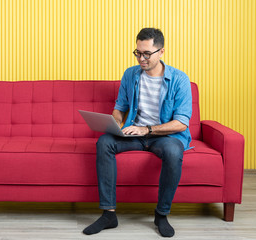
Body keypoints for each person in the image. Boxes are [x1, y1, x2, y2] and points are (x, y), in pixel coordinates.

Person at [82, 28, 192, 238]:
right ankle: (109, 214)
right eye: (137, 53)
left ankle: (161, 214)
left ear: (161, 52)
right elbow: (120, 106)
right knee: (105, 142)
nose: (141, 58)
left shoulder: (179, 79)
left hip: (164, 137)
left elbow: (181, 124)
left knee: (173, 152)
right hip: (134, 133)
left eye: (146, 54)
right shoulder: (130, 74)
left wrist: (148, 129)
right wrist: (114, 122)